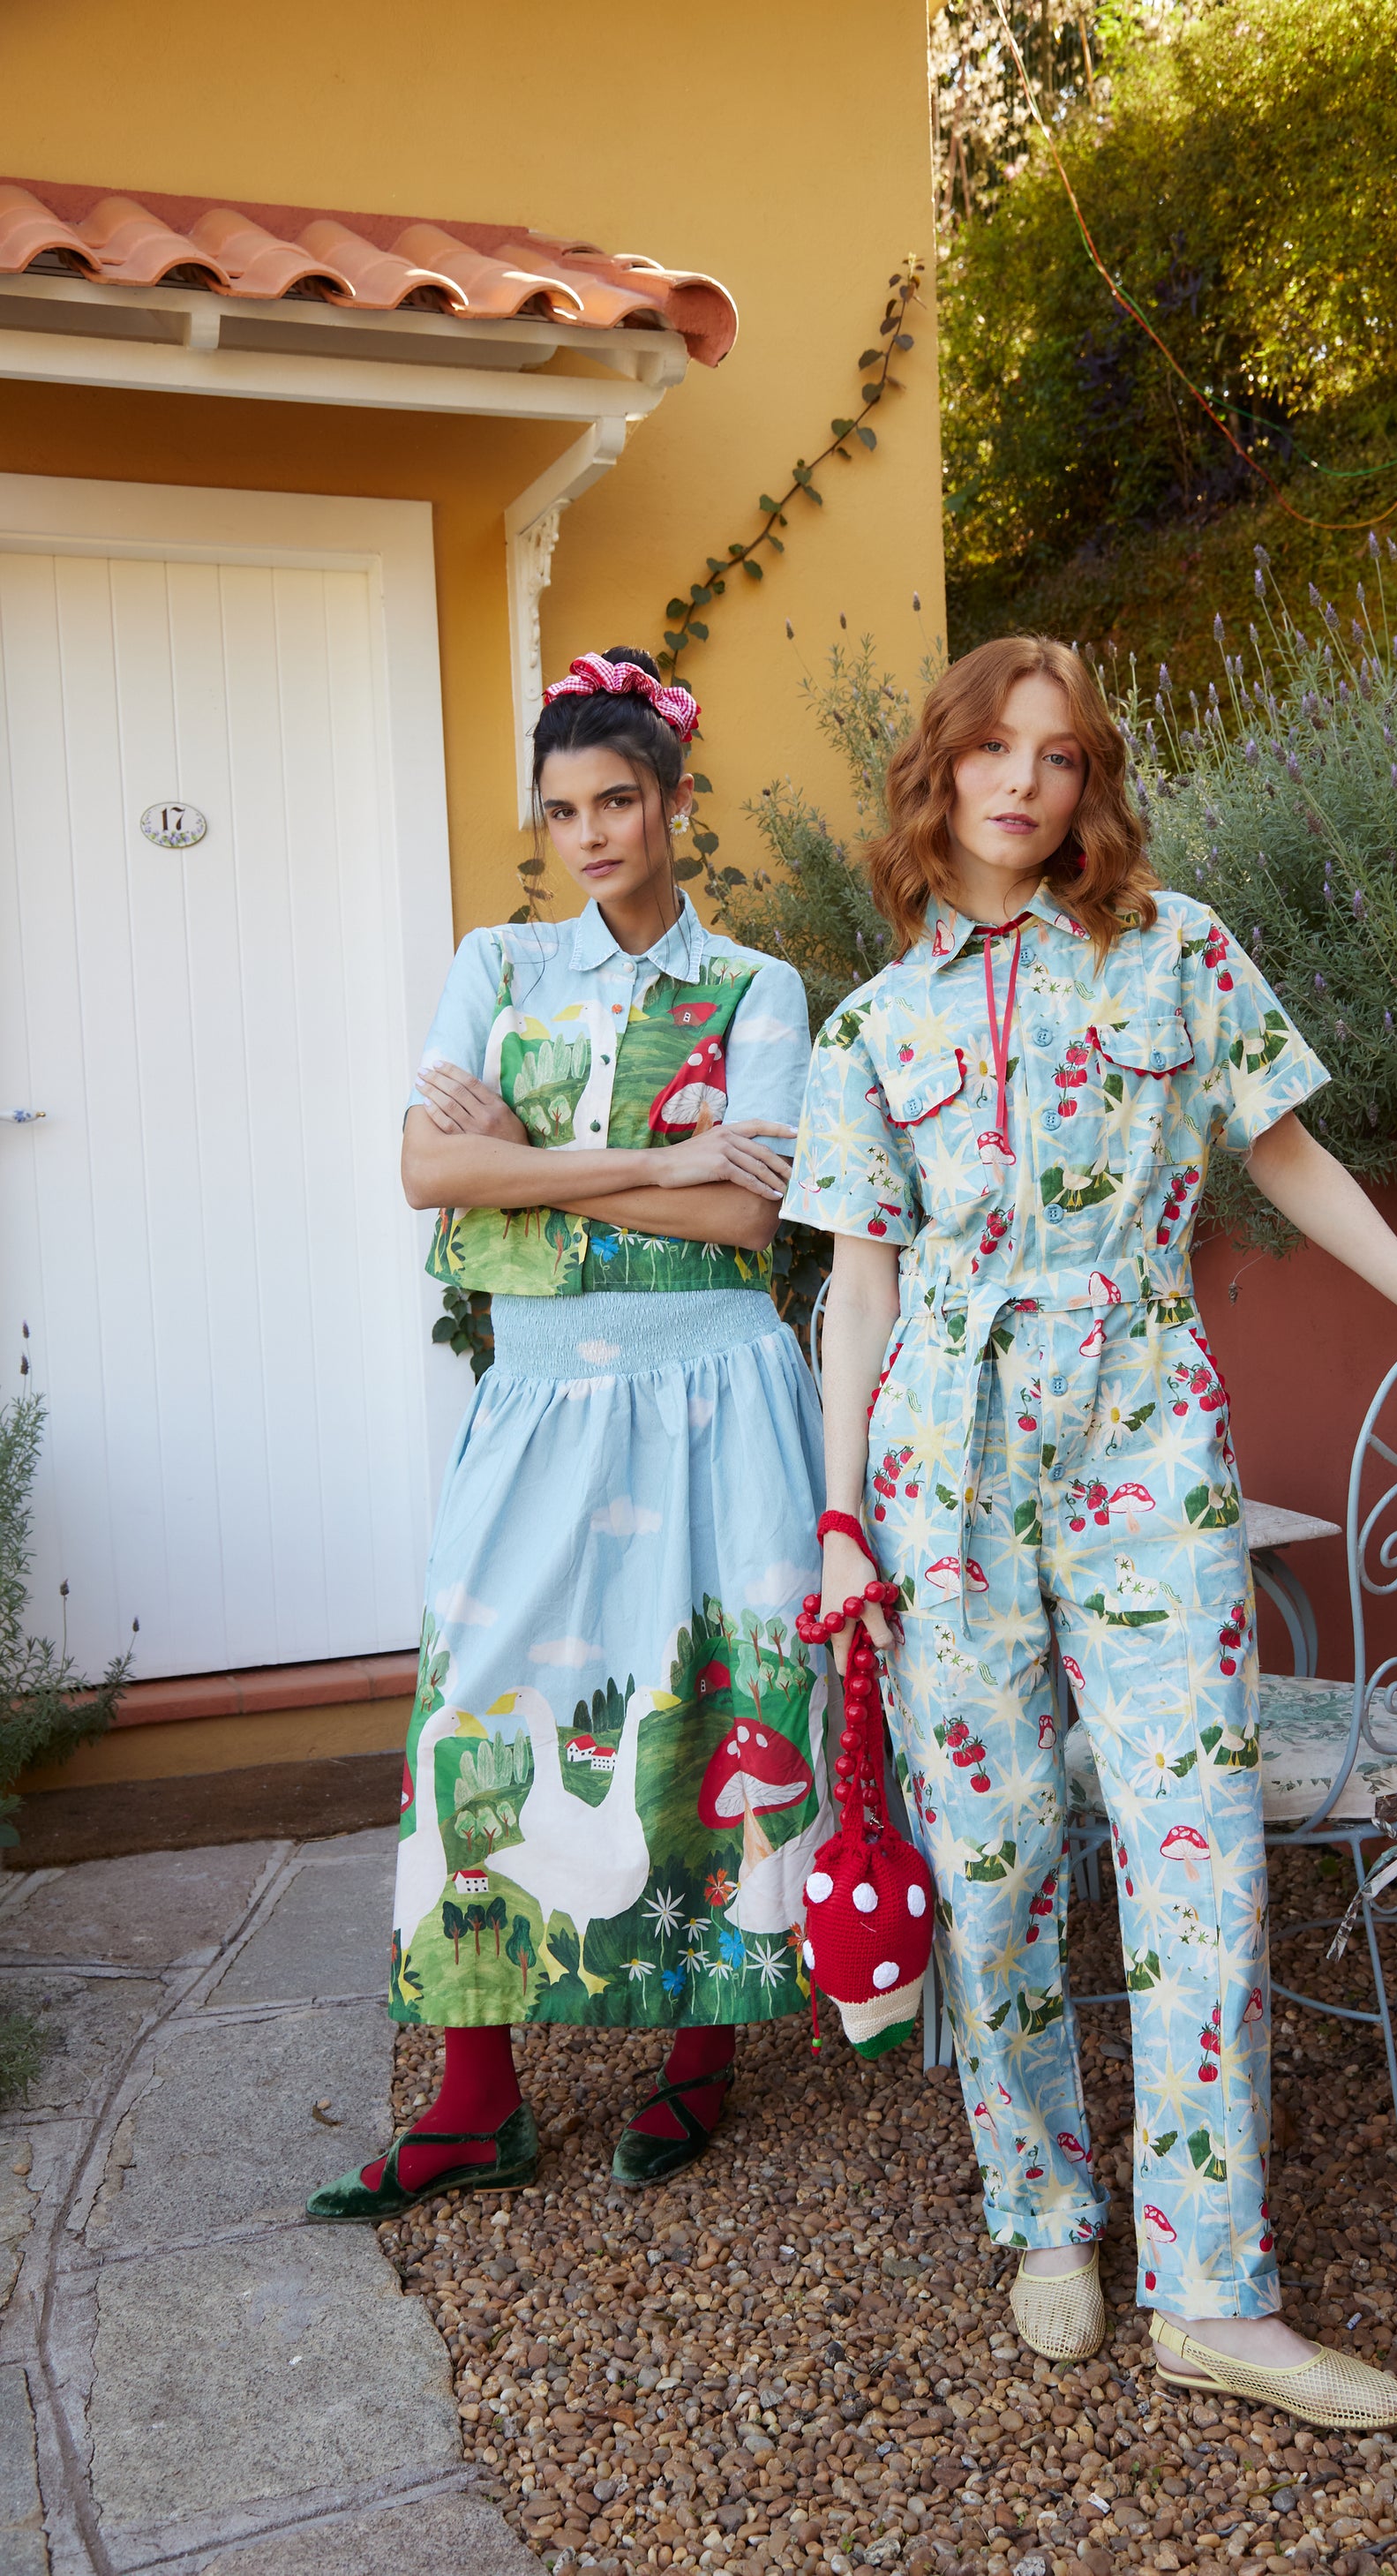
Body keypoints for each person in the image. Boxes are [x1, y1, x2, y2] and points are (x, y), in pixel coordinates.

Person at [784, 635, 1397, 2427]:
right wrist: (839, 1518)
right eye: (992, 749)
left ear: (1088, 780)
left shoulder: (1176, 948)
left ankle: (1213, 2290)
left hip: (1143, 1434)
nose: (1022, 782)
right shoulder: (869, 1024)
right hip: (944, 1466)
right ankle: (1043, 2212)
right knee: (993, 1864)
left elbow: (1285, 1154)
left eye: (1057, 755)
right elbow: (857, 1287)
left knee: (1196, 1852)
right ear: (940, 769)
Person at [310, 649, 829, 2219]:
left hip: (718, 1388)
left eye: (618, 801)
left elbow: (748, 1218)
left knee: (708, 1692)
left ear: (674, 803)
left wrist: (529, 1154)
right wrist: (654, 1159)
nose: (592, 834)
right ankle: (475, 2100)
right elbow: (430, 1175)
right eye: (562, 811)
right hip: (536, 1396)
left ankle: (698, 2052)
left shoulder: (757, 989)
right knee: (477, 1704)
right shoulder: (500, 964)